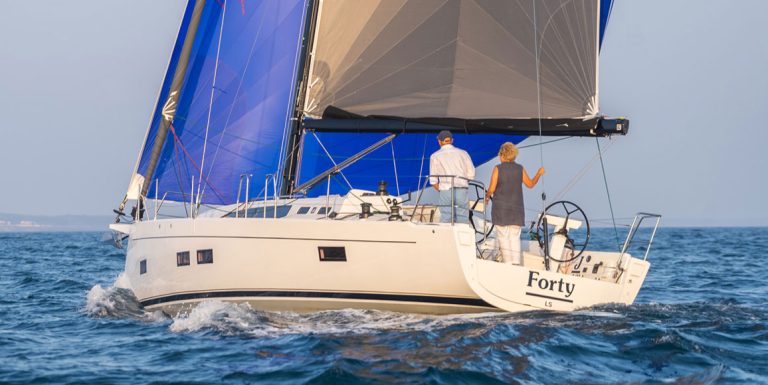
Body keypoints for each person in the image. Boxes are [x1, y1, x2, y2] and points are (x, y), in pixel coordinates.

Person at [484, 142, 544, 265]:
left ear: (502, 155)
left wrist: (486, 196)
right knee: (515, 236)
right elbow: (530, 184)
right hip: (517, 209)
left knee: (503, 236)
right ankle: (516, 263)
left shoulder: (498, 169)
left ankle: (508, 263)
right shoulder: (520, 168)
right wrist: (538, 173)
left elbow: (492, 189)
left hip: (501, 209)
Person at [429, 130, 475, 223]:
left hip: (445, 190)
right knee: (462, 217)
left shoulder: (435, 156)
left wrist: (442, 189)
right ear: (452, 140)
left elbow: (433, 180)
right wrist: (462, 182)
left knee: (446, 217)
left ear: (439, 141)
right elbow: (471, 174)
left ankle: (445, 237)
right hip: (461, 189)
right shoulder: (463, 153)